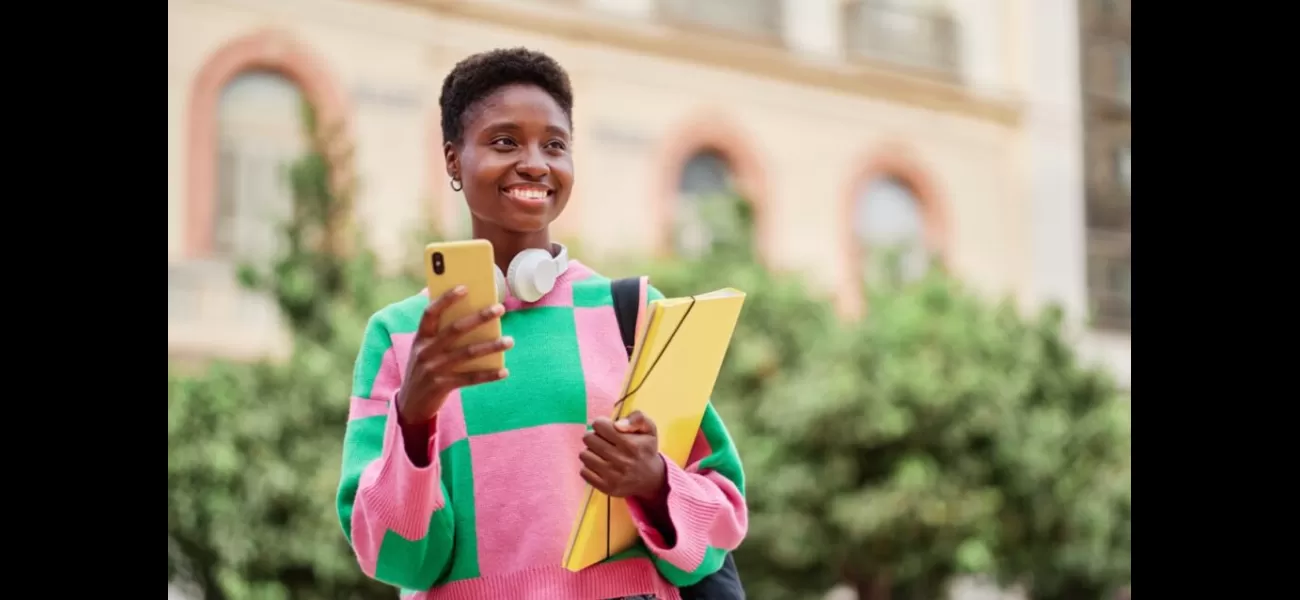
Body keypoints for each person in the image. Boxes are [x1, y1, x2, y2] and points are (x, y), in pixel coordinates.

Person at [334, 47, 748, 600]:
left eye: (555, 145)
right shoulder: (401, 337)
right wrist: (413, 417)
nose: (535, 162)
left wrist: (653, 484)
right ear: (454, 160)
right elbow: (396, 557)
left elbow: (722, 519)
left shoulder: (635, 313)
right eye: (505, 141)